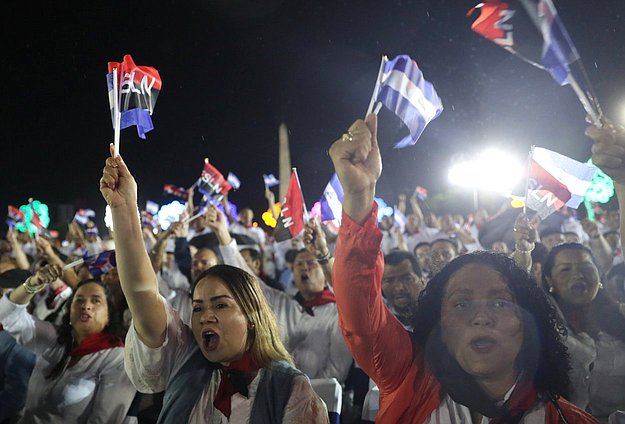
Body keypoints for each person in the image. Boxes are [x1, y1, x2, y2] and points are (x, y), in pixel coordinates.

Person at [328, 114, 596, 423]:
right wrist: (359, 197)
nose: (481, 318)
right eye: (461, 304)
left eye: (499, 301)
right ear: (440, 322)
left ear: (527, 318)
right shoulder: (409, 377)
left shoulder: (569, 419)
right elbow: (360, 318)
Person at [99, 145, 328, 423]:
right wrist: (124, 209)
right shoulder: (183, 357)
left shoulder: (291, 389)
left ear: (252, 315)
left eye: (220, 305)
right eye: (197, 308)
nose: (206, 316)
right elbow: (143, 293)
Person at [0, 265, 136, 423]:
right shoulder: (57, 340)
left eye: (96, 301)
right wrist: (33, 283)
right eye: (79, 300)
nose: (86, 306)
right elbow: (9, 317)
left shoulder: (118, 357)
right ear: (69, 311)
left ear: (108, 316)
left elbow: (103, 420)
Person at [542, 243, 625, 420]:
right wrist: (523, 249)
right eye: (565, 269)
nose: (578, 275)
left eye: (586, 267)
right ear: (549, 280)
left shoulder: (621, 316)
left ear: (600, 275)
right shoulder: (545, 325)